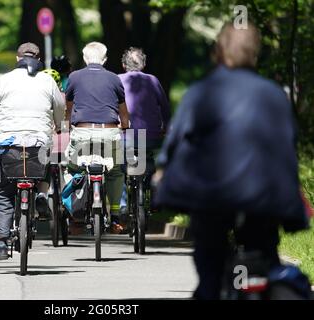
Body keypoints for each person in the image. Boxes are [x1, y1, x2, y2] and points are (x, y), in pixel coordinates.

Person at [154, 23, 309, 300]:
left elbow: (172, 150)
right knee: (265, 258)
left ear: (219, 52)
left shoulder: (201, 93)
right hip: (265, 204)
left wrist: (164, 182)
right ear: (255, 55)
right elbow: (288, 148)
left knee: (210, 269)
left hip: (211, 202)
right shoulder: (274, 95)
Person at [0, 42, 65, 260]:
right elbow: (60, 108)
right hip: (38, 144)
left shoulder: (5, 80)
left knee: (4, 192)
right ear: (39, 59)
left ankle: (1, 242)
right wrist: (57, 125)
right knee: (45, 162)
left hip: (8, 145)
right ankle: (40, 193)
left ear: (17, 58)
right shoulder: (48, 81)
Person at [64, 42, 130, 234]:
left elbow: (69, 109)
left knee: (73, 168)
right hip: (109, 133)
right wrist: (125, 125)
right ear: (105, 59)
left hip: (82, 133)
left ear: (85, 59)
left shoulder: (74, 77)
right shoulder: (114, 79)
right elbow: (123, 112)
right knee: (116, 172)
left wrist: (67, 125)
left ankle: (75, 213)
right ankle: (116, 215)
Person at [118, 47, 171, 215]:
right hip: (152, 136)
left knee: (119, 169)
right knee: (151, 160)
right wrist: (166, 127)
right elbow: (165, 108)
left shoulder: (117, 80)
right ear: (144, 64)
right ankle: (154, 190)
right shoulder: (153, 80)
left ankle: (123, 204)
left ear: (123, 65)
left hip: (126, 136)